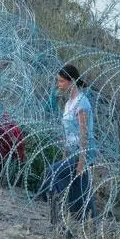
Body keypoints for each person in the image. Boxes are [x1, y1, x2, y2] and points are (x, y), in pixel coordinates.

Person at [38, 64, 97, 222]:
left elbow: (84, 134)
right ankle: (86, 220)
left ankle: (50, 210)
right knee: (78, 189)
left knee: (53, 173)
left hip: (82, 151)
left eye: (61, 81)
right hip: (72, 150)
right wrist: (65, 151)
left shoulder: (81, 103)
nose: (59, 84)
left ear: (71, 81)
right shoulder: (68, 103)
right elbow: (68, 132)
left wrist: (82, 161)